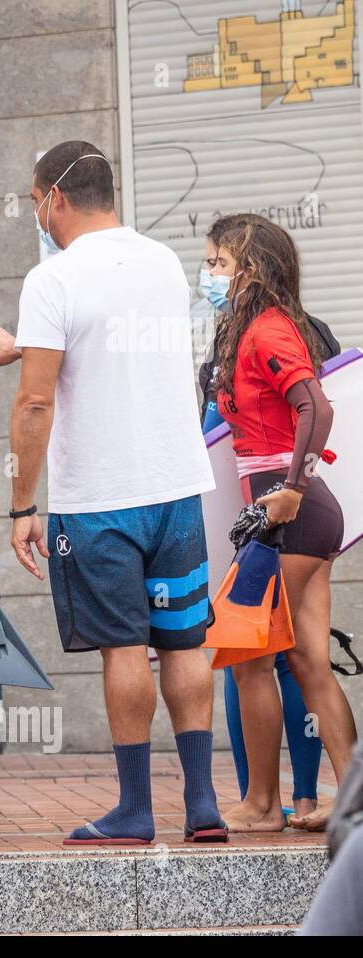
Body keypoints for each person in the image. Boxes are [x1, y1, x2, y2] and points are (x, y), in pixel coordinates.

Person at [0, 140, 223, 846]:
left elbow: (35, 405)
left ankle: (135, 811)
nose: (34, 213)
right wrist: (27, 342)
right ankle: (203, 805)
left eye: (33, 199)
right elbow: (117, 343)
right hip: (175, 487)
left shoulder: (55, 279)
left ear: (54, 198)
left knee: (122, 648)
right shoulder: (163, 262)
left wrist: (22, 504)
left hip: (101, 497)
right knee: (183, 642)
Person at [204, 213, 357, 833]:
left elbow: (314, 406)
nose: (209, 273)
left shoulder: (267, 330)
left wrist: (291, 489)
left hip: (288, 512)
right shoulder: (251, 330)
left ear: (252, 268)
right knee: (311, 665)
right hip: (291, 513)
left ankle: (263, 805)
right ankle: (353, 800)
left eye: (218, 262)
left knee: (247, 656)